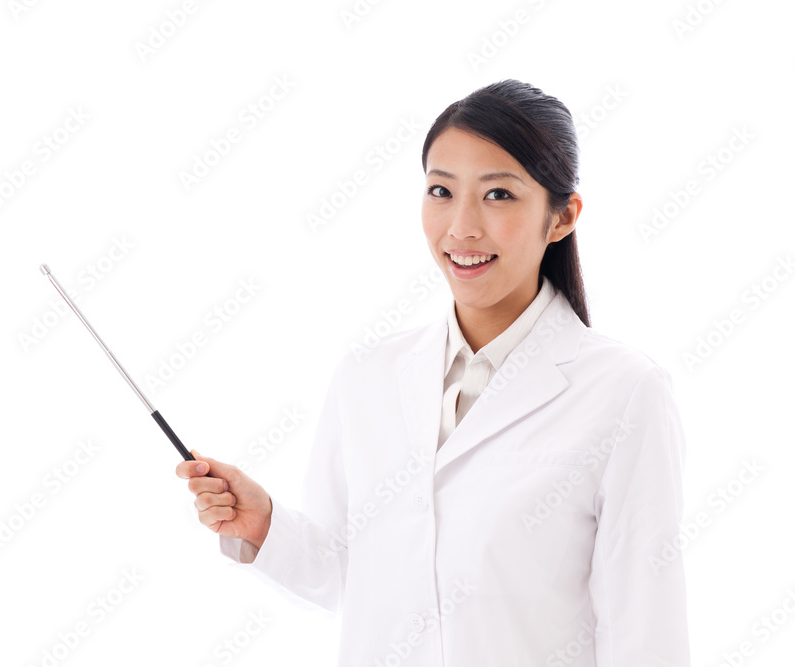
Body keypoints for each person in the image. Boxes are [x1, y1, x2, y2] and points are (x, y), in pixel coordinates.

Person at [176, 79, 690, 666]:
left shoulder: (624, 393)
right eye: (441, 190)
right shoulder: (366, 377)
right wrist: (264, 525)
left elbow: (646, 628)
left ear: (562, 217)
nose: (462, 227)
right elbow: (348, 577)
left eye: (498, 195)